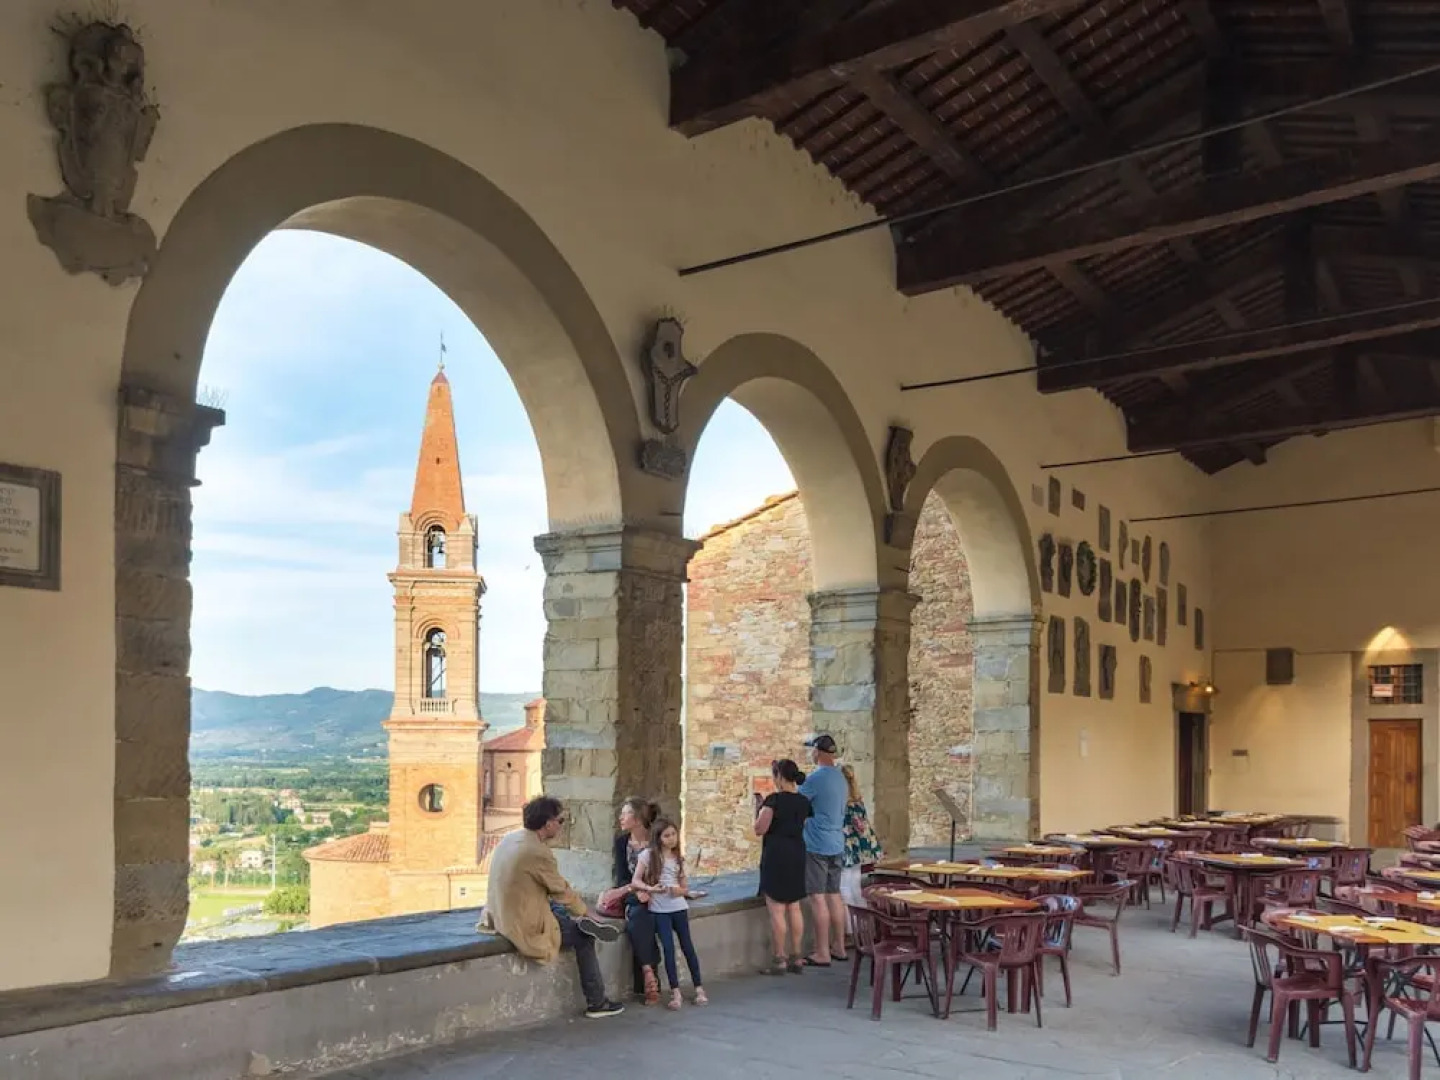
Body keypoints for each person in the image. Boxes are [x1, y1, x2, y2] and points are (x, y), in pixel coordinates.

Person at [480, 795, 626, 1018]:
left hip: (499, 914)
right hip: (521, 924)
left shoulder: (511, 838)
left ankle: (574, 921)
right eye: (560, 820)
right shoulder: (537, 852)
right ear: (547, 823)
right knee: (584, 938)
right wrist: (588, 913)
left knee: (559, 909)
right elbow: (561, 891)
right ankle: (597, 1002)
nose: (561, 825)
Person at [632, 818, 707, 1009]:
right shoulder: (648, 856)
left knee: (687, 947)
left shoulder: (677, 858)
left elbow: (684, 887)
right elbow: (636, 881)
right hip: (660, 910)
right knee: (668, 949)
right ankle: (676, 992)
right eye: (666, 836)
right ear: (658, 838)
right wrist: (650, 889)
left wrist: (679, 891)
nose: (671, 839)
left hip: (678, 907)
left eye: (673, 834)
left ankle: (699, 988)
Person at [755, 758, 812, 975]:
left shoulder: (774, 800)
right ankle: (797, 957)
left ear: (779, 776)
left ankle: (780, 958)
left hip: (777, 854)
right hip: (797, 852)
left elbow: (760, 828)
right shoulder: (804, 801)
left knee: (777, 909)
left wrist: (758, 809)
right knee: (794, 906)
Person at [604, 796, 663, 1004]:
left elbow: (667, 872)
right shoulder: (621, 843)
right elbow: (621, 878)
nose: (621, 817)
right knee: (639, 912)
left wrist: (649, 890)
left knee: (639, 916)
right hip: (632, 893)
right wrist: (636, 891)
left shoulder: (657, 842)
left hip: (657, 892)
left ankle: (646, 975)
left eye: (625, 813)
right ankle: (649, 974)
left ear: (637, 819)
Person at [798, 733, 848, 966]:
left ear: (817, 752)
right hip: (837, 842)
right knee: (834, 895)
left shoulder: (816, 778)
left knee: (817, 898)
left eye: (812, 750)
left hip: (817, 843)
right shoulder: (840, 777)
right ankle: (839, 946)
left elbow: (798, 802)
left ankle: (822, 952)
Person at [839, 764, 882, 935]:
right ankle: (865, 927)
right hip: (857, 850)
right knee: (855, 887)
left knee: (844, 888)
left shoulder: (841, 805)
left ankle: (851, 929)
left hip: (844, 848)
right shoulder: (858, 802)